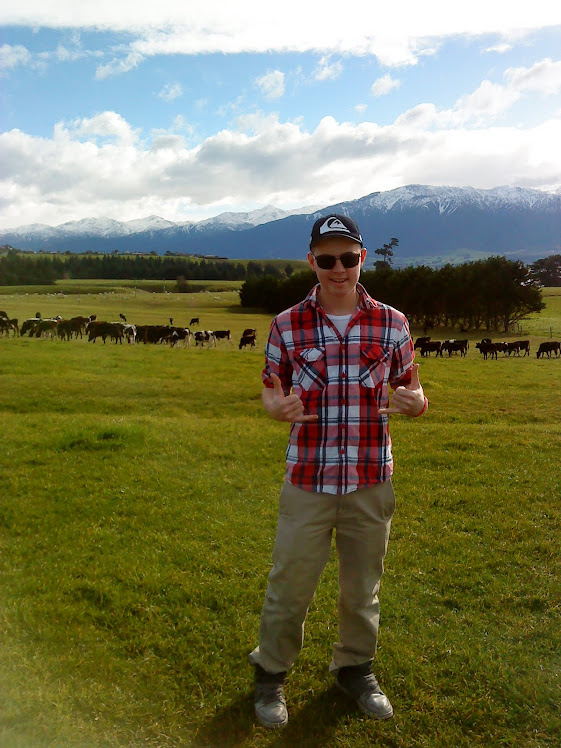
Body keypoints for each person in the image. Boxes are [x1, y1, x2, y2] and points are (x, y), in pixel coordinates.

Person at [248, 213, 428, 729]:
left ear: (361, 258)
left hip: (371, 478)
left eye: (347, 258)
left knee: (363, 586)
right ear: (312, 262)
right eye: (326, 259)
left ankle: (355, 669)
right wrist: (273, 406)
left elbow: (414, 390)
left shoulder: (393, 323)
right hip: (308, 477)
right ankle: (271, 674)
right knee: (290, 583)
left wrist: (415, 403)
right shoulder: (286, 325)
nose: (338, 269)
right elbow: (270, 386)